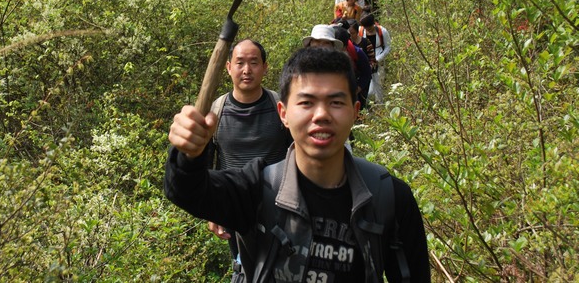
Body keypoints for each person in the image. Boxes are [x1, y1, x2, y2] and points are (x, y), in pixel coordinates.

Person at [165, 47, 431, 282]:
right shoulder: (256, 189)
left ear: (355, 112)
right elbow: (186, 190)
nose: (321, 115)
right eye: (306, 102)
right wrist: (187, 153)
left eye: (336, 102)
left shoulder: (389, 198)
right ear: (283, 114)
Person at [207, 39, 293, 261]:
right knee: (244, 269)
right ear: (228, 68)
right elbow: (207, 167)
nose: (247, 70)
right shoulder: (216, 111)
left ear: (265, 67)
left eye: (254, 63)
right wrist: (212, 210)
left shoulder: (281, 108)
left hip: (282, 208)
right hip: (235, 209)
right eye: (240, 63)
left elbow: (299, 153)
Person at [334, 24, 372, 111]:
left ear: (346, 45)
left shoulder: (357, 53)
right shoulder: (323, 53)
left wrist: (357, 89)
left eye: (341, 48)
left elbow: (367, 73)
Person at [359, 13, 391, 104]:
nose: (368, 30)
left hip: (379, 58)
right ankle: (369, 104)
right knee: (369, 87)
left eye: (369, 28)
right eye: (366, 28)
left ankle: (380, 104)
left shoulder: (382, 31)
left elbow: (388, 47)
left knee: (378, 84)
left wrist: (378, 59)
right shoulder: (361, 31)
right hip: (366, 59)